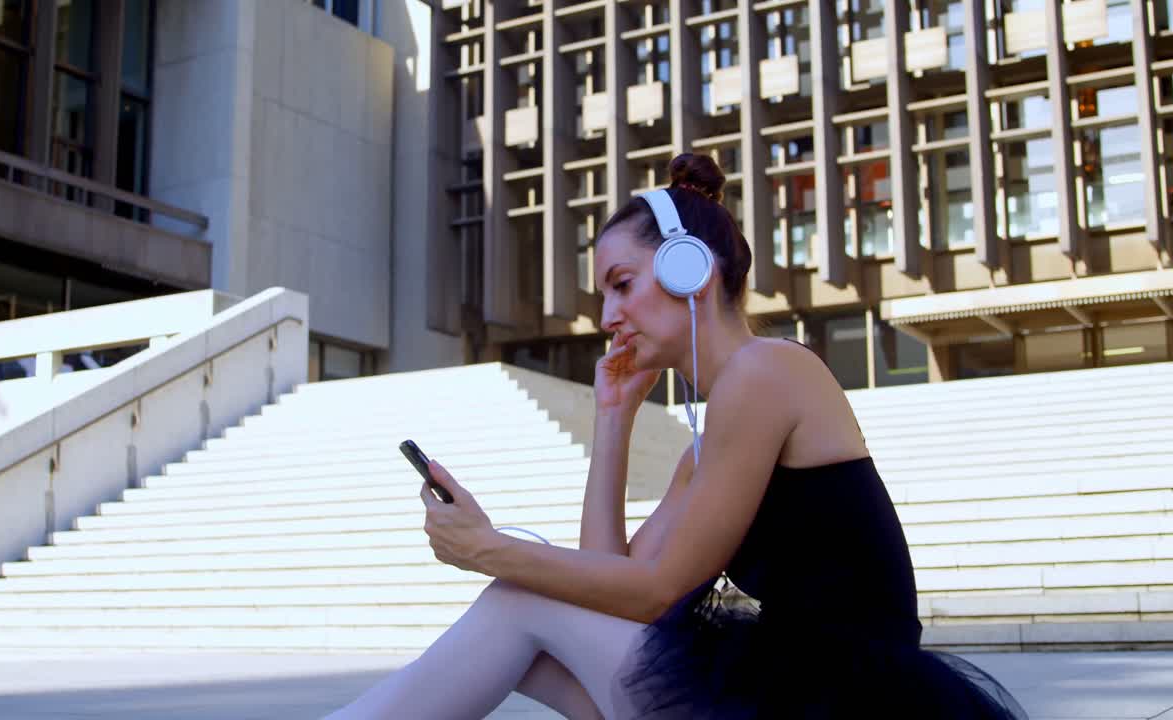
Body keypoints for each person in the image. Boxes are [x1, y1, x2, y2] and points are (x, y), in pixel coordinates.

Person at [324, 154, 1028, 719]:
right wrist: (613, 420)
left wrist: (489, 551)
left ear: (690, 268)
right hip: (785, 693)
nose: (607, 315)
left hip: (837, 699)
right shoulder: (714, 431)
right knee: (532, 609)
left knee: (519, 587)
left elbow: (656, 592)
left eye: (621, 284)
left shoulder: (768, 371)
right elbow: (604, 583)